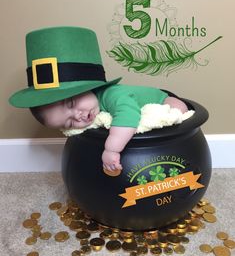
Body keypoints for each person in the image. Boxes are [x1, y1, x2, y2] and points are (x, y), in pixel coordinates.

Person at [9, 26, 187, 172]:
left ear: (88, 87)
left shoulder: (112, 95)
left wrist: (112, 149)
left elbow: (128, 115)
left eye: (71, 103)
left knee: (178, 110)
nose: (77, 116)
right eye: (69, 123)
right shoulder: (92, 109)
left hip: (163, 98)